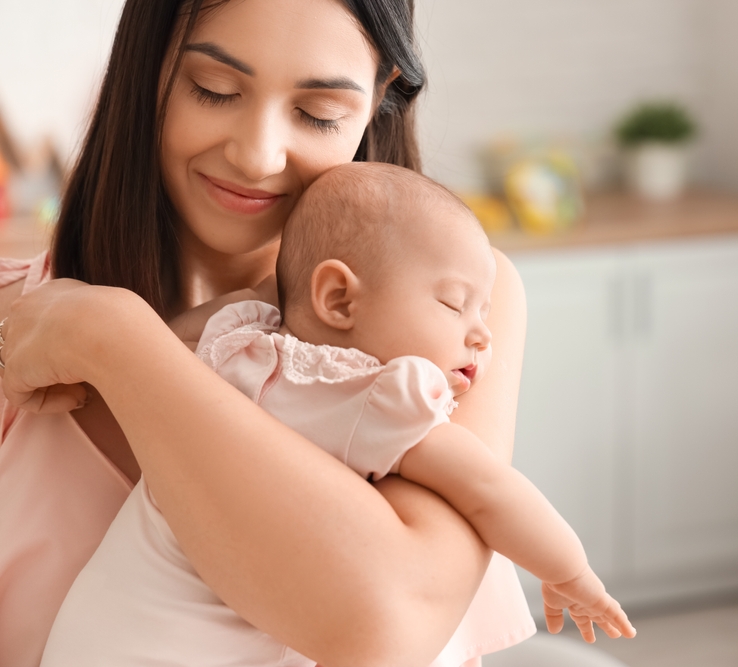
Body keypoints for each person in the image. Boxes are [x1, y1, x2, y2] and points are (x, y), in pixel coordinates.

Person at [0, 1, 537, 666]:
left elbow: (386, 623)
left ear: (379, 97)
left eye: (318, 113)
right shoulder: (15, 323)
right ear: (147, 71)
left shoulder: (457, 309)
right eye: (214, 89)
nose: (257, 156)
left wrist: (115, 339)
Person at [40, 162, 635, 666]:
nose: (482, 334)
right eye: (455, 304)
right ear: (339, 298)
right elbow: (488, 490)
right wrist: (570, 572)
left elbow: (172, 340)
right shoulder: (371, 398)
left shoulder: (238, 343)